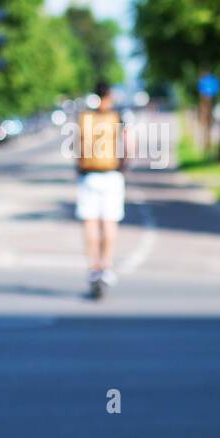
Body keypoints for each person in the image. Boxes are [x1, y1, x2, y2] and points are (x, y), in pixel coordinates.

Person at [75, 82, 133, 298]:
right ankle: (106, 267)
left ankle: (93, 267)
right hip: (112, 174)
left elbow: (77, 147)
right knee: (109, 222)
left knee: (90, 222)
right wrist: (124, 166)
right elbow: (129, 144)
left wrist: (80, 168)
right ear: (109, 95)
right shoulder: (119, 117)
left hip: (88, 175)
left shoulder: (84, 118)